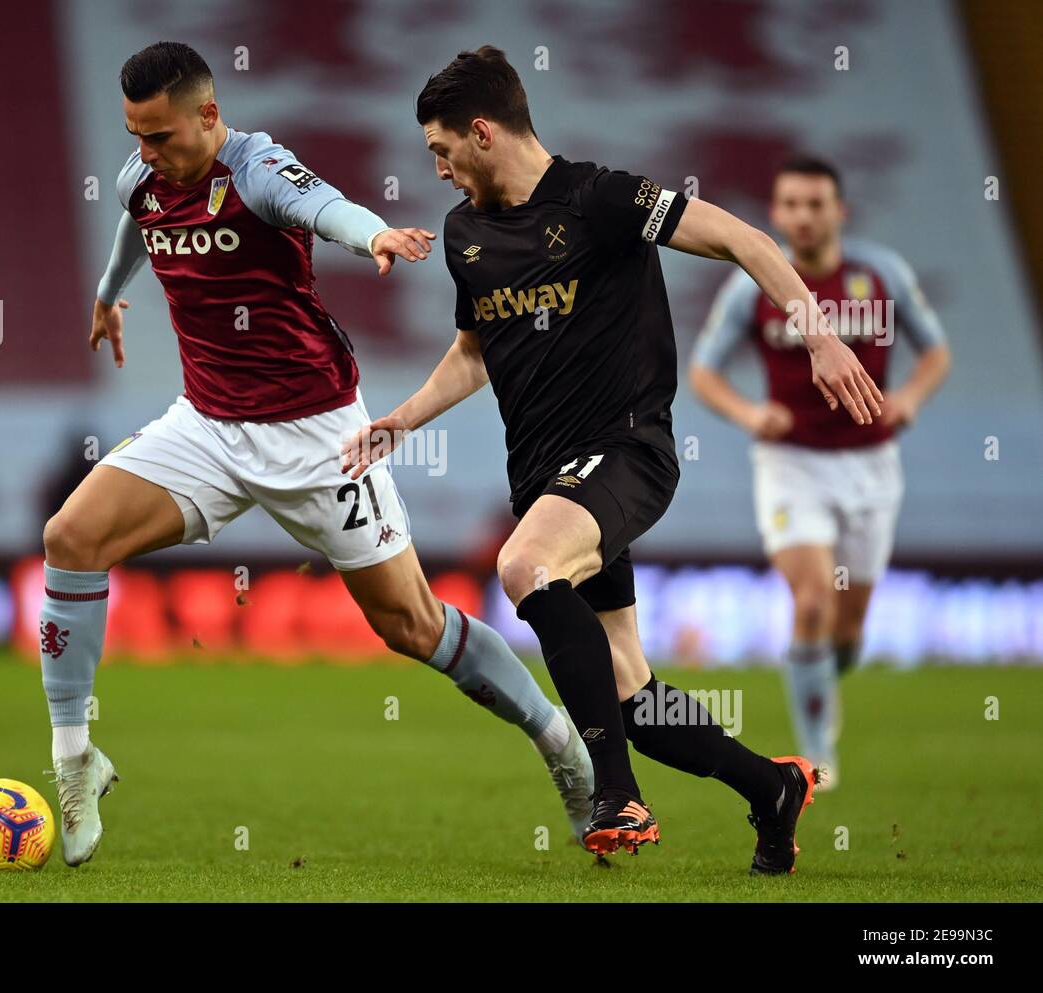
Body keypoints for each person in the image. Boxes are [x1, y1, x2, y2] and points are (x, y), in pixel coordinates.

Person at [38, 42, 594, 867]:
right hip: (208, 426)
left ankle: (561, 745)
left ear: (209, 116)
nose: (146, 154)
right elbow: (132, 221)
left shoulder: (255, 168)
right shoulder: (143, 178)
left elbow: (324, 206)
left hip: (317, 435)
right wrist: (109, 293)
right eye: (135, 136)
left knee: (412, 624)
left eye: (160, 136)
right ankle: (76, 761)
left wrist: (372, 236)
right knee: (69, 539)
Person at [343, 46, 883, 873]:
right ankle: (771, 786)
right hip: (548, 477)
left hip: (628, 451)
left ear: (482, 133)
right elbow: (474, 350)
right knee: (627, 686)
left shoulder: (603, 199)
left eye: (441, 150)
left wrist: (817, 333)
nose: (439, 169)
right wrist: (402, 421)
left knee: (524, 563)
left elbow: (742, 238)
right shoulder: (466, 235)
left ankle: (617, 796)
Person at [690, 156, 951, 787]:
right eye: (791, 205)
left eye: (816, 204)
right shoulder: (755, 283)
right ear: (776, 214)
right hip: (792, 464)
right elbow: (702, 371)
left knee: (849, 627)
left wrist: (911, 397)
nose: (803, 217)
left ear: (840, 212)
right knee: (811, 600)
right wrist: (750, 414)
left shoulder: (879, 274)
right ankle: (816, 754)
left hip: (871, 464)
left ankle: (819, 686)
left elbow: (936, 351)